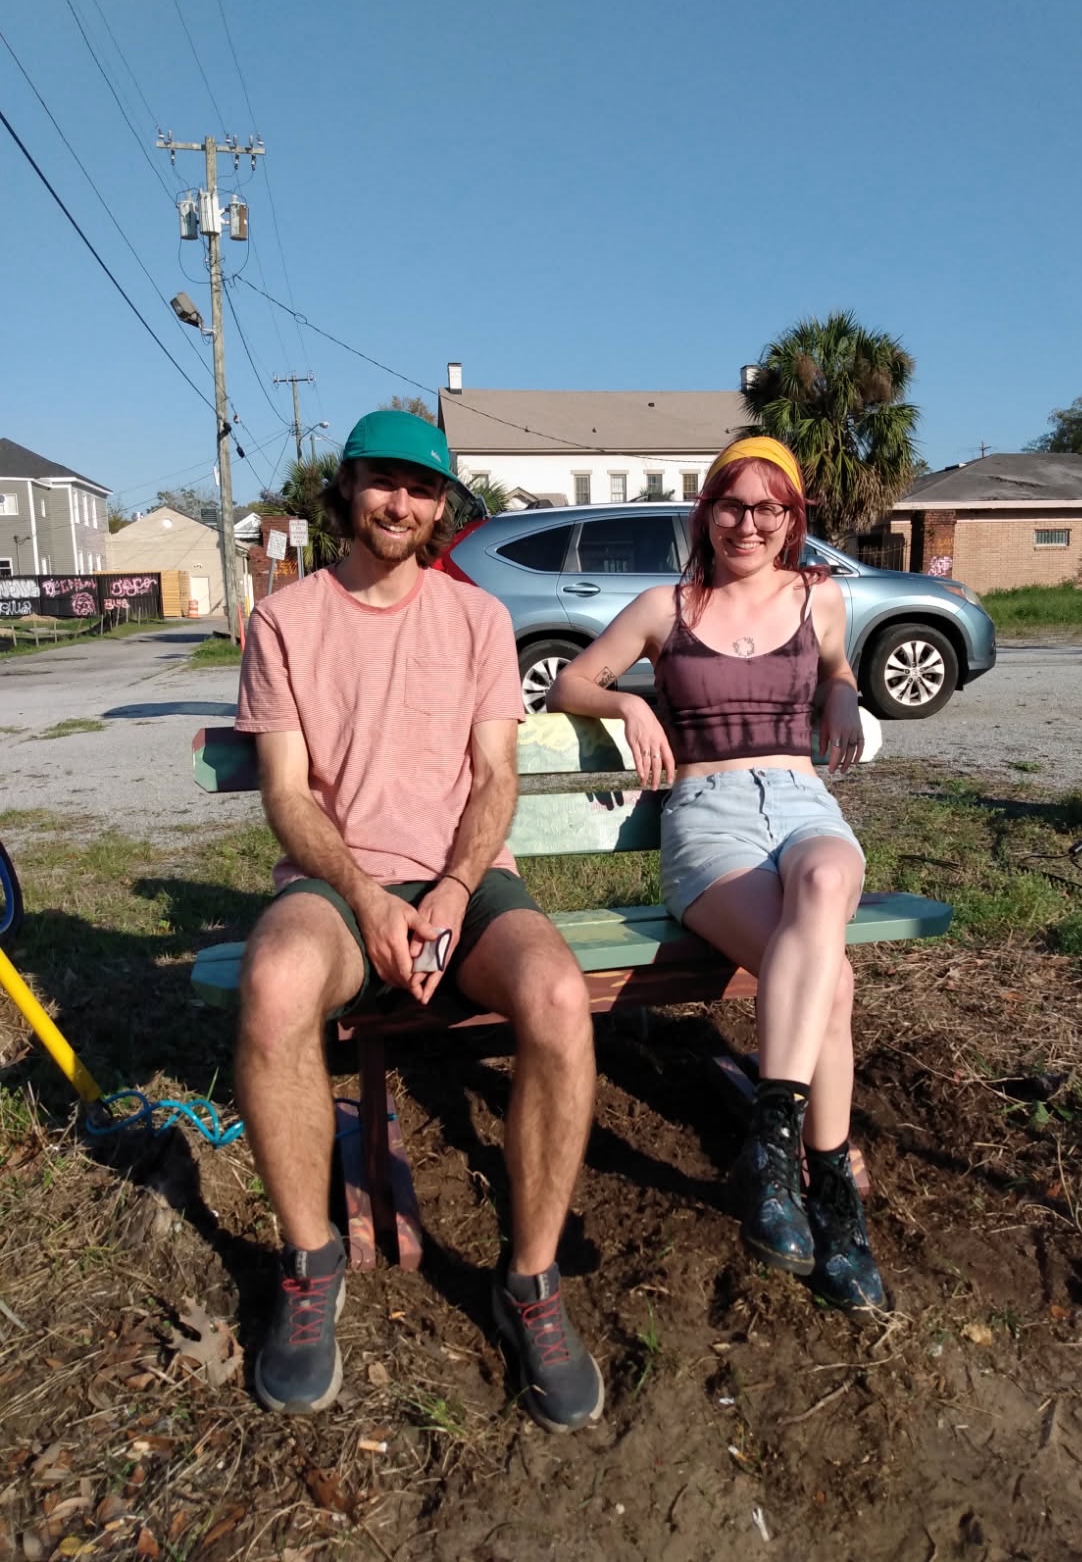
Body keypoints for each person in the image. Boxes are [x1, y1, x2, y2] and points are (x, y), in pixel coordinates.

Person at [234, 409, 604, 1429]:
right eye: (382, 481)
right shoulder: (285, 621)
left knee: (559, 996)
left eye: (421, 487)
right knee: (273, 987)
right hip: (337, 884)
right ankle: (309, 1266)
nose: (400, 502)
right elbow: (287, 792)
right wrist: (366, 896)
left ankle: (529, 1281)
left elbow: (495, 773)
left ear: (443, 508)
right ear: (347, 490)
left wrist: (448, 889)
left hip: (465, 880)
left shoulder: (476, 618)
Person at [548, 436, 886, 1312]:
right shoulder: (668, 606)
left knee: (822, 887)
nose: (748, 523)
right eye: (732, 505)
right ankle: (834, 1194)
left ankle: (771, 1154)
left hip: (806, 805)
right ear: (708, 514)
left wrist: (843, 688)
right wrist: (629, 698)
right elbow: (569, 685)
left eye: (768, 508)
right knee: (832, 980)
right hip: (710, 819)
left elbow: (839, 666)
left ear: (791, 521)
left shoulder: (821, 598)